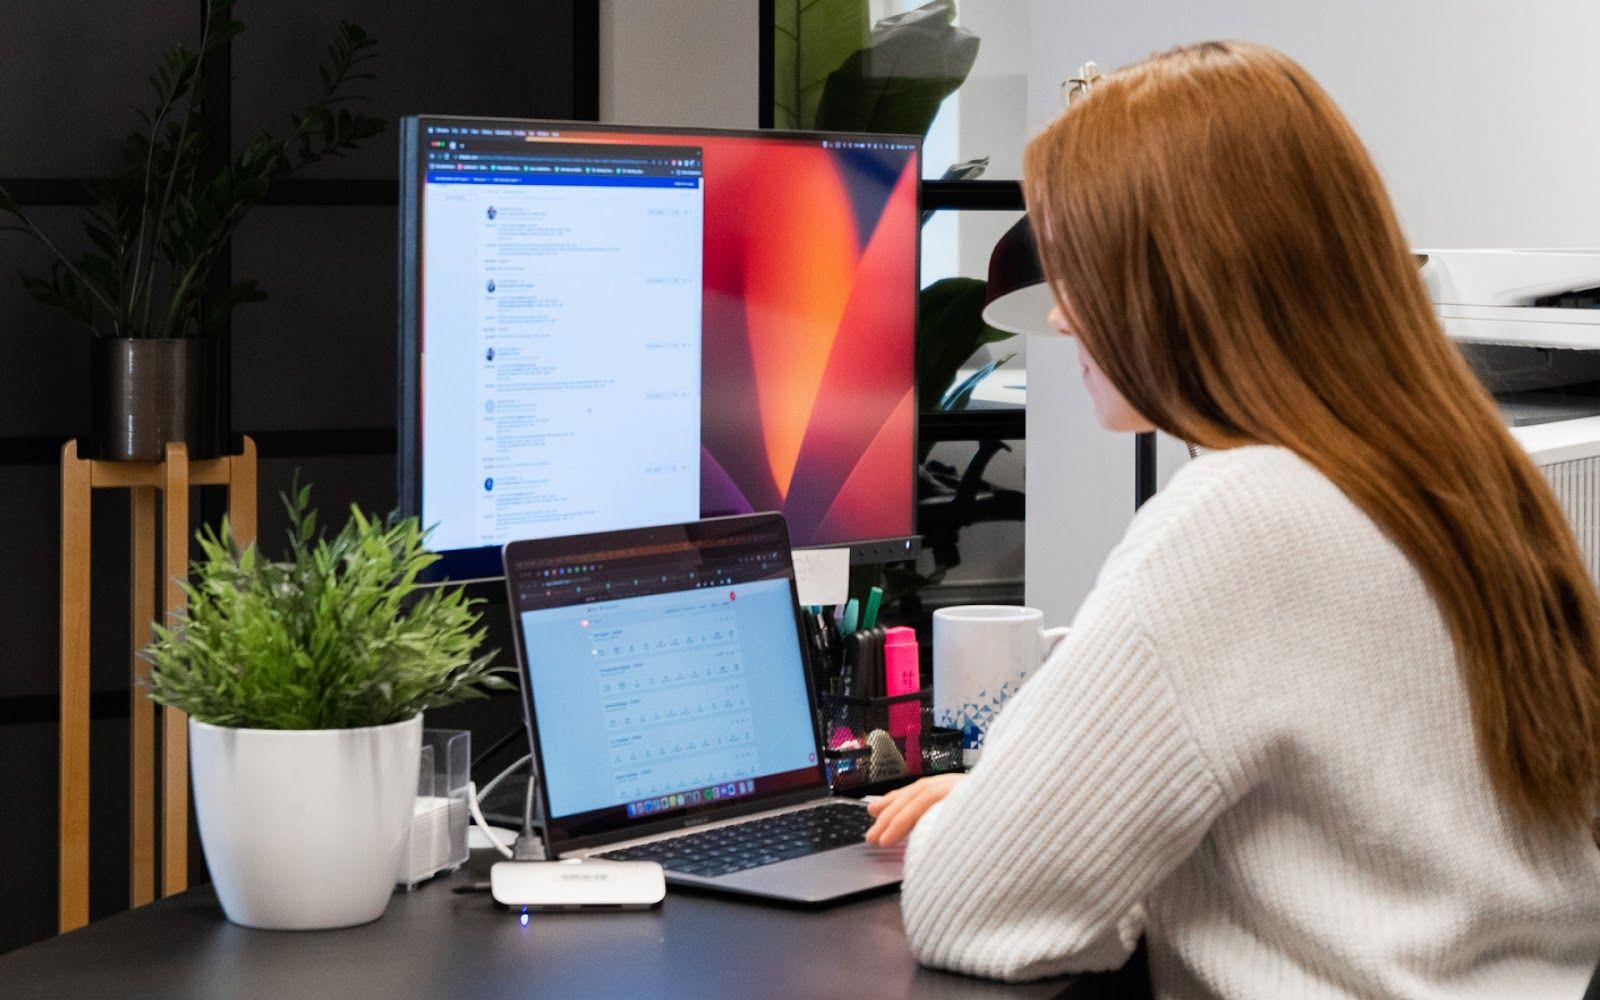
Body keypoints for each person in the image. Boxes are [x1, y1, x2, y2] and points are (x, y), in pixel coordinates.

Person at [867, 41, 1600, 997]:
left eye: (1081, 269)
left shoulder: (1245, 516)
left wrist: (1036, 827)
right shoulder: (1457, 467)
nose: (1057, 318)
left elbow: (969, 904)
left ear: (1177, 279)